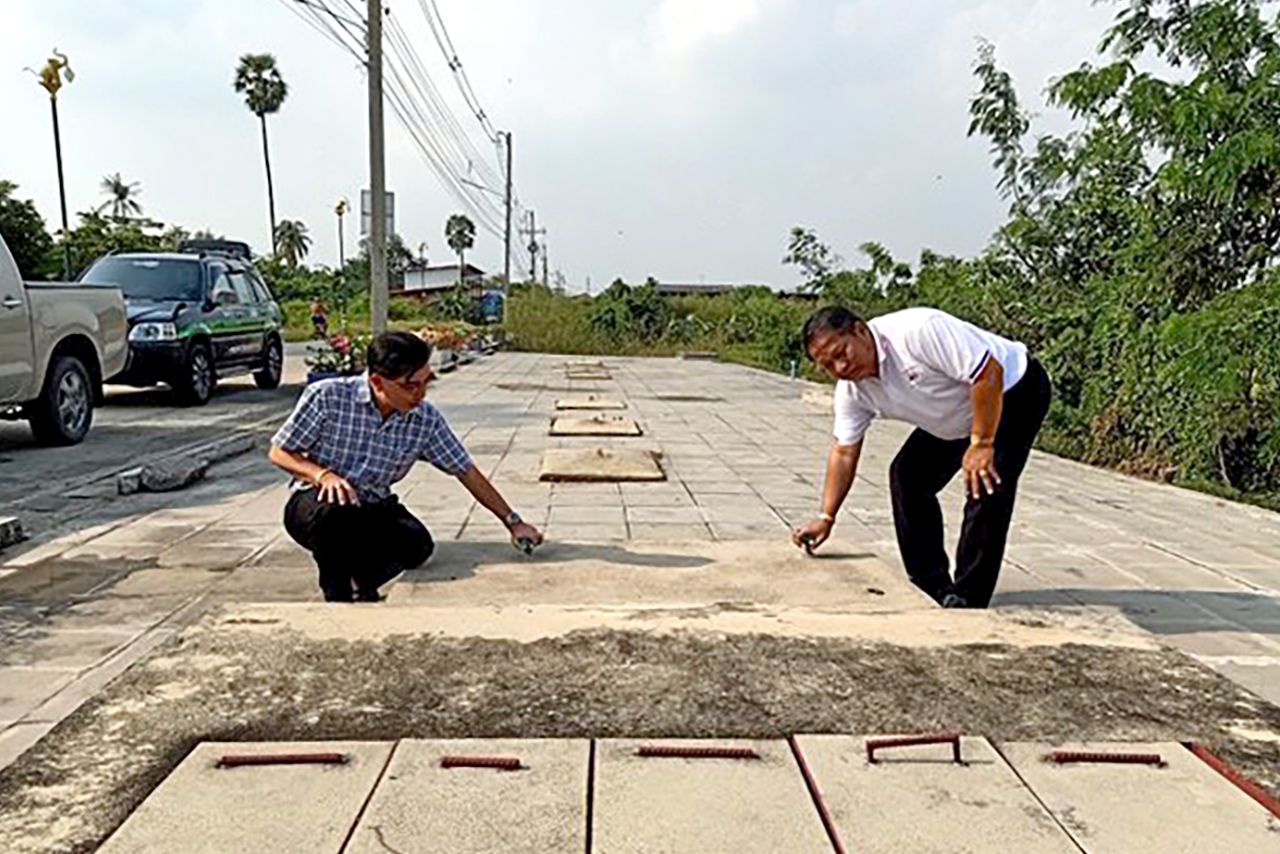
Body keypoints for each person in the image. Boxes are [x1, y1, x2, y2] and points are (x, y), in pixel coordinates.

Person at [792, 306, 1051, 609]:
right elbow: (844, 451)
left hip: (1013, 391)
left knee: (986, 484)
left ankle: (969, 596)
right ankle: (931, 585)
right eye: (828, 365)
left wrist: (982, 444)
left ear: (860, 331)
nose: (840, 368)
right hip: (959, 414)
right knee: (908, 477)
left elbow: (988, 371)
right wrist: (827, 517)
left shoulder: (918, 331)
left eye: (841, 353)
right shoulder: (853, 391)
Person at [268, 331, 543, 602]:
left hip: (373, 505)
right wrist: (322, 475)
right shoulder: (328, 397)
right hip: (318, 502)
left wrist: (513, 522)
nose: (420, 394)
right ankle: (341, 599)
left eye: (426, 383)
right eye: (410, 386)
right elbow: (280, 452)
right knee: (336, 520)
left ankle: (358, 578)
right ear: (377, 382)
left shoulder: (424, 420)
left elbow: (466, 470)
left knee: (417, 546)